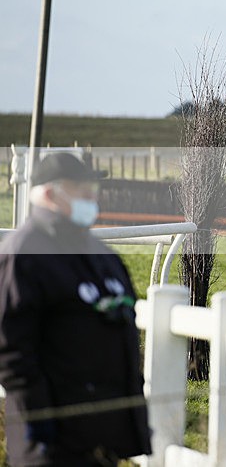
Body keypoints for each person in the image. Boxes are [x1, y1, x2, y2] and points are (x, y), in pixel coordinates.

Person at [0, 153, 152, 466]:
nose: (91, 198)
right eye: (81, 190)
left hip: (104, 440)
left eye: (92, 190)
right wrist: (42, 422)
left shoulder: (103, 256)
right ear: (49, 194)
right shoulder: (23, 255)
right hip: (53, 446)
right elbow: (11, 352)